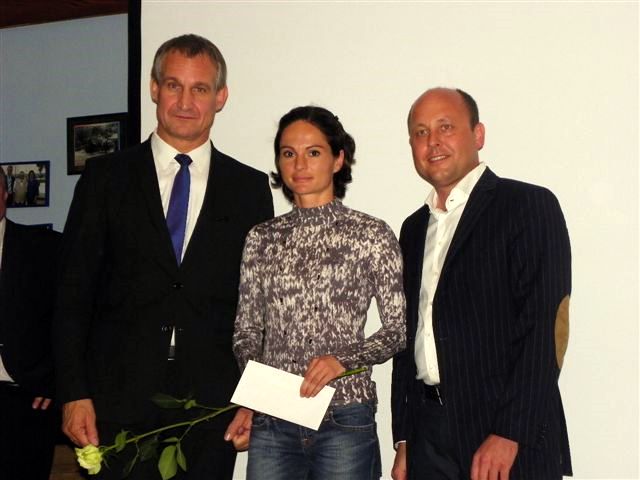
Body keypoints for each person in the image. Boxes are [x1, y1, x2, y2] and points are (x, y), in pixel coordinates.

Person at [54, 34, 274, 480]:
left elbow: (262, 308)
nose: (185, 102)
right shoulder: (105, 178)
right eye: (174, 85)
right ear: (154, 88)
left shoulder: (249, 189)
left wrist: (256, 399)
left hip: (213, 407)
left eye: (200, 89)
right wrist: (73, 392)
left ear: (220, 97)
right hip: (114, 402)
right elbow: (72, 293)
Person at [390, 88, 572, 480]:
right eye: (420, 132)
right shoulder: (412, 228)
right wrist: (405, 437)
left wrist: (510, 431)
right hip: (427, 434)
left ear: (478, 135)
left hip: (503, 434)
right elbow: (408, 337)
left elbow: (544, 327)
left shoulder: (527, 206)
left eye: (446, 127)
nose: (432, 141)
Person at [227, 106, 406, 480]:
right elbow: (246, 332)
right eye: (288, 153)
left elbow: (397, 331)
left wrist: (341, 360)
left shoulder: (371, 234)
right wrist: (258, 392)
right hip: (274, 419)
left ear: (338, 159)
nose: (299, 164)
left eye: (313, 152)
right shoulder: (261, 238)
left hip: (345, 416)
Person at [0, 167, 61, 479]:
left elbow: (71, 318)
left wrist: (56, 381)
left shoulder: (46, 247)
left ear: (5, 194)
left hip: (27, 400)